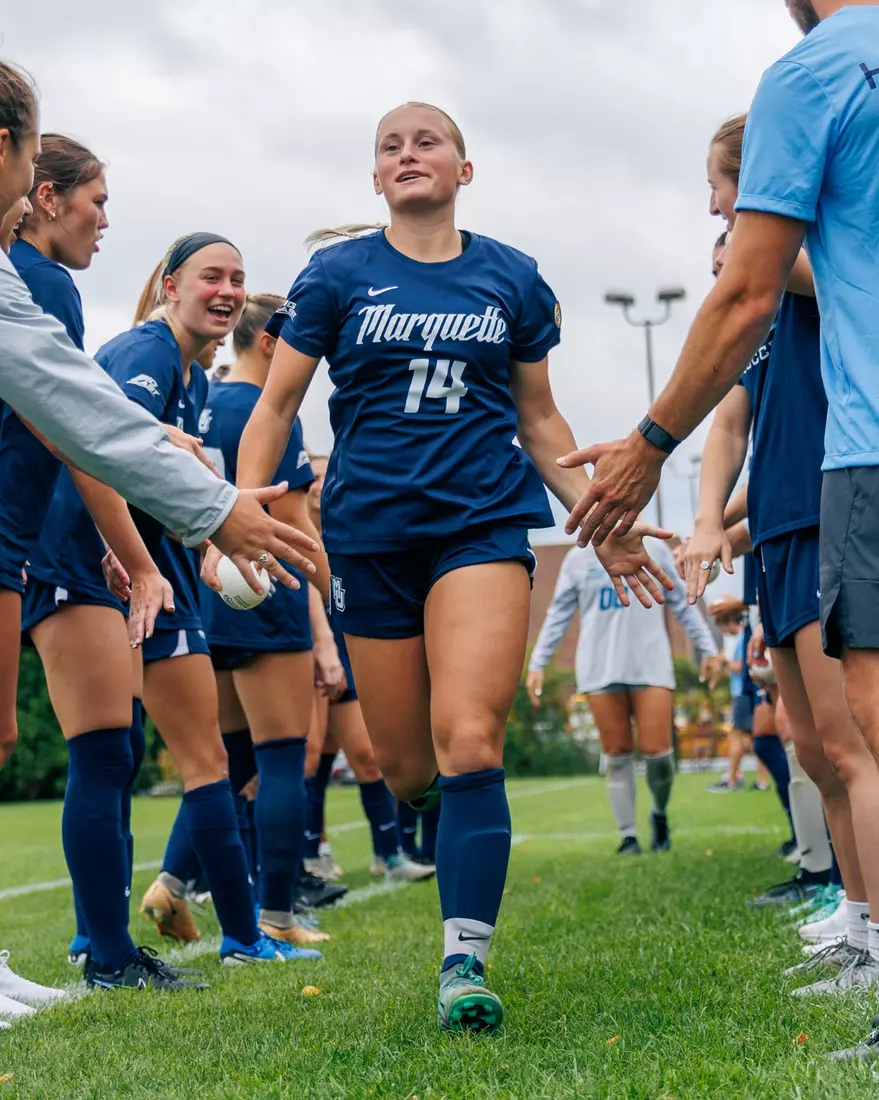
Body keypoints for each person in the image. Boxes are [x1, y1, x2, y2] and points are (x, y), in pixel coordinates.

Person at [210, 100, 674, 1034]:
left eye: (427, 142)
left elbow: (538, 418)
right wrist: (241, 509)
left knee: (469, 742)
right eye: (390, 146)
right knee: (405, 765)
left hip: (482, 525)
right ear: (376, 177)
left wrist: (604, 519)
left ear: (464, 169)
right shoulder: (336, 275)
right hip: (370, 539)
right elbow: (276, 406)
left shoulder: (512, 277)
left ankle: (464, 961)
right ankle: (443, 816)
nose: (407, 153)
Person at [685, 112, 879, 994]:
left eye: (721, 185)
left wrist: (752, 238)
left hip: (828, 514)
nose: (713, 207)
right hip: (777, 534)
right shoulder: (753, 291)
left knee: (852, 746)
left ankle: (874, 937)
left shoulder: (808, 263)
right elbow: (729, 422)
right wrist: (709, 525)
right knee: (813, 749)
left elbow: (793, 266)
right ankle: (854, 914)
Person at [0, 60, 318, 589]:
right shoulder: (71, 299)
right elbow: (72, 418)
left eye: (238, 280)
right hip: (53, 559)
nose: (29, 188)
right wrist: (161, 549)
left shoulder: (192, 378)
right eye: (30, 162)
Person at [151, 290, 330, 952]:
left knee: (224, 760)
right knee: (285, 756)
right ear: (268, 343)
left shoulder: (202, 398)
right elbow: (293, 522)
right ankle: (276, 913)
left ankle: (172, 882)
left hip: (206, 596)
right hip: (265, 591)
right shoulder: (270, 411)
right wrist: (338, 597)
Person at [527, 539, 721, 854]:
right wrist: (537, 663)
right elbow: (557, 614)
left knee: (658, 753)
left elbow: (681, 604)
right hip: (599, 667)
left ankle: (659, 814)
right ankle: (628, 836)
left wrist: (708, 649)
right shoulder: (577, 559)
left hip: (650, 663)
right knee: (617, 753)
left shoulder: (655, 550)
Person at [303, 453, 437, 883]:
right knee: (310, 759)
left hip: (351, 650)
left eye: (325, 475)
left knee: (366, 756)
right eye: (311, 476)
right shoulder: (294, 533)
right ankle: (310, 854)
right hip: (306, 651)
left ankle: (389, 855)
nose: (318, 484)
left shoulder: (344, 528)